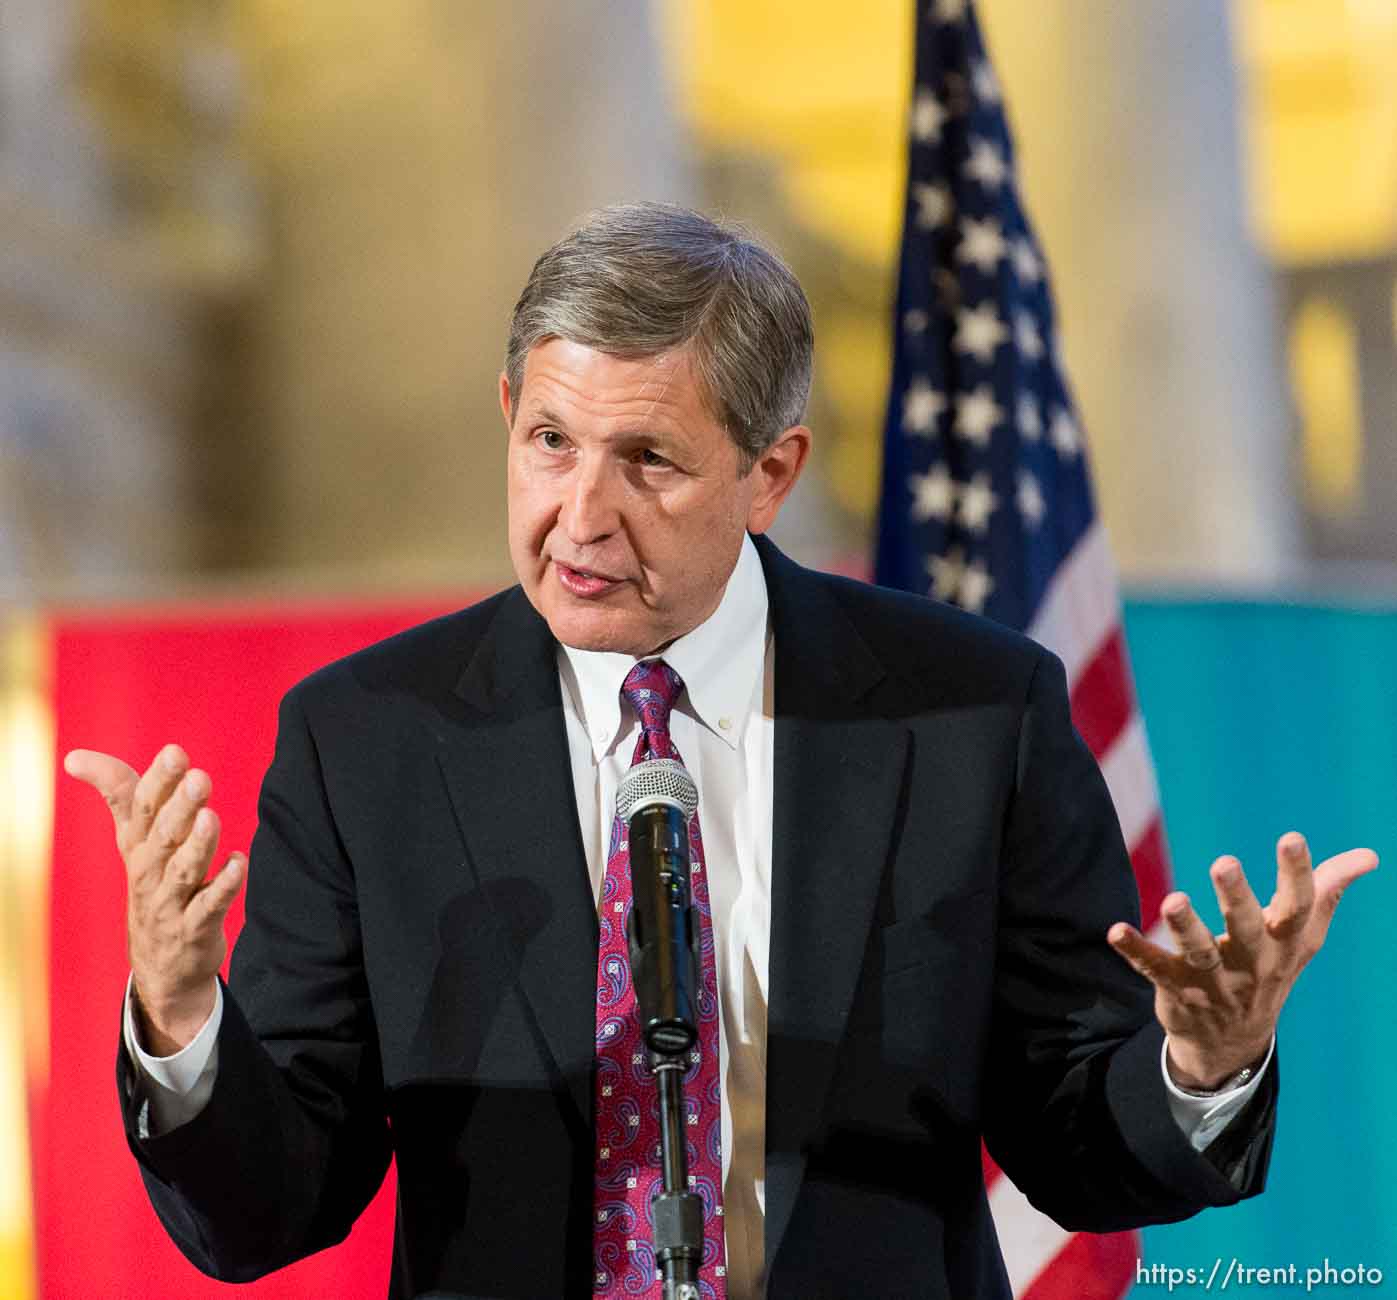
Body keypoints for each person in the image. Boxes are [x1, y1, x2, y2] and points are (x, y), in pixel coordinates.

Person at [67, 203, 1375, 1300]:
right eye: (550, 444)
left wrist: (1201, 1064)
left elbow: (1079, 1149)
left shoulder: (971, 715)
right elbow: (265, 1209)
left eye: (647, 460)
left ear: (770, 472)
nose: (580, 515)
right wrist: (185, 1022)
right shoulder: (367, 737)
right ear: (510, 413)